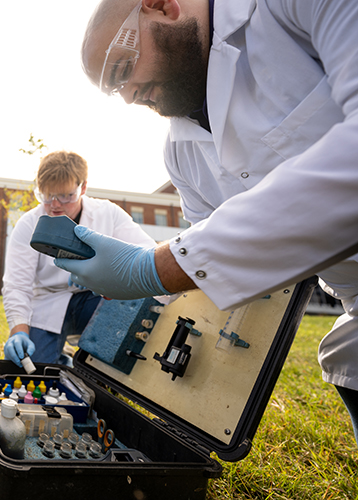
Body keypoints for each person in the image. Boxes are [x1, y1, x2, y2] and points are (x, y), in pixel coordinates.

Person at [70, 0, 358, 443]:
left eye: (123, 68)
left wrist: (152, 269)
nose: (128, 96)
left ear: (161, 7)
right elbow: (220, 260)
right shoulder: (179, 154)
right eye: (115, 90)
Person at [2, 151, 157, 368]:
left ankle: (94, 364)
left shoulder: (108, 214)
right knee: (35, 368)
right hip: (48, 301)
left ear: (82, 188)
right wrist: (18, 331)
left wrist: (105, 278)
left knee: (105, 367)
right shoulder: (28, 224)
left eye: (66, 196)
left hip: (96, 298)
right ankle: (63, 357)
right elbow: (17, 285)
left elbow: (147, 254)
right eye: (47, 195)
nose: (54, 204)